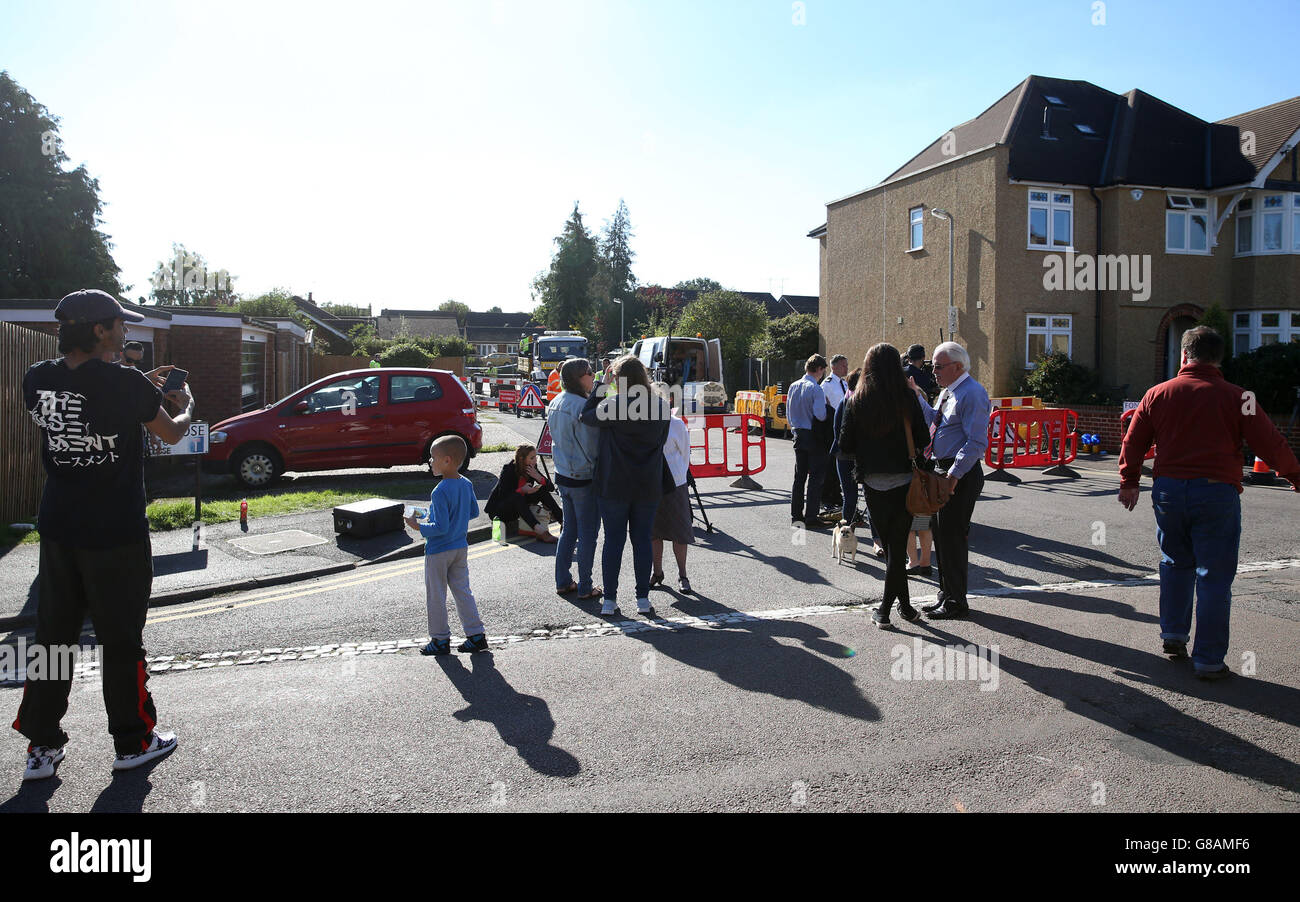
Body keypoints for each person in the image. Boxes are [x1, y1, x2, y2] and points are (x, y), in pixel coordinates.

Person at [15, 289, 192, 780]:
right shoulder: (125, 382)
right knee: (119, 640)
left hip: (57, 528)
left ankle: (42, 749)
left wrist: (140, 389)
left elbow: (90, 400)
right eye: (119, 323)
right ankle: (134, 742)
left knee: (52, 639)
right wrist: (186, 406)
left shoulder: (36, 378)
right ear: (98, 329)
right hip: (115, 533)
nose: (125, 330)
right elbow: (172, 432)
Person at [1119, 326, 1300, 680]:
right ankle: (1209, 660)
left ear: (1184, 355)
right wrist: (1296, 476)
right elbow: (1270, 444)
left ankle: (1173, 634)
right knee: (1214, 577)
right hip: (1217, 492)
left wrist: (1129, 482)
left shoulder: (1158, 393)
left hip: (1169, 491)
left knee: (1174, 562)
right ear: (1220, 358)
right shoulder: (1240, 397)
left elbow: (1133, 441)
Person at [839, 343, 934, 628]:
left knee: (893, 547)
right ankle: (895, 608)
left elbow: (844, 445)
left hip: (871, 480)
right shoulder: (906, 397)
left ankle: (892, 609)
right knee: (896, 546)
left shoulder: (857, 400)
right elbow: (922, 439)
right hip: (905, 479)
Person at [580, 355, 671, 616]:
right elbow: (661, 442)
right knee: (642, 540)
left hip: (614, 483)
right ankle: (643, 599)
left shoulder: (614, 405)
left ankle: (610, 600)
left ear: (618, 380)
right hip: (647, 483)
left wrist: (600, 386)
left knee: (613, 541)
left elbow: (585, 415)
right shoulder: (661, 407)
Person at [912, 341, 990, 620]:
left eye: (939, 366)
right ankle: (946, 595)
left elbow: (976, 442)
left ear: (958, 366)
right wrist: (918, 397)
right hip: (941, 472)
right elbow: (937, 422)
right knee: (942, 538)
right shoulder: (948, 392)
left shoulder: (973, 393)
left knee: (952, 538)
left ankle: (957, 601)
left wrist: (953, 476)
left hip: (958, 474)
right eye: (933, 365)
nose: (934, 371)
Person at [406, 435, 488, 656]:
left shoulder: (440, 490)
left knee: (436, 595)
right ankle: (476, 635)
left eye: (433, 458)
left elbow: (439, 527)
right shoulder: (466, 483)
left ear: (447, 461)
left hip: (438, 551)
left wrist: (417, 526)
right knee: (463, 591)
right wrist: (450, 516)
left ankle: (440, 640)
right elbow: (472, 512)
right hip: (460, 547)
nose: (430, 462)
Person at [549, 358, 602, 600]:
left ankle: (562, 581)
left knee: (569, 530)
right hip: (583, 476)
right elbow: (593, 446)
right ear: (579, 378)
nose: (593, 376)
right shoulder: (582, 407)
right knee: (588, 534)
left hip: (562, 474)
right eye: (590, 373)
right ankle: (585, 586)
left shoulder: (556, 401)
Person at [830, 368, 884, 556]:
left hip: (846, 458)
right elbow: (840, 434)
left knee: (853, 497)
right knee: (865, 497)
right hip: (851, 458)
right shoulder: (853, 402)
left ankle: (847, 535)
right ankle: (868, 538)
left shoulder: (846, 401)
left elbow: (837, 433)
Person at [651, 408, 694, 593]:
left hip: (675, 483)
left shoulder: (676, 423)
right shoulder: (644, 421)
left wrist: (678, 476)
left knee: (679, 531)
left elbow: (685, 453)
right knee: (653, 532)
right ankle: (657, 572)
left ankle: (682, 575)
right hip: (651, 482)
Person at [787, 353, 831, 527]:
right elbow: (820, 416)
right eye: (822, 371)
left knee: (799, 477)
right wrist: (827, 406)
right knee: (815, 478)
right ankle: (811, 516)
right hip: (814, 435)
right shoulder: (816, 389)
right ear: (819, 369)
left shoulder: (794, 386)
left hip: (798, 433)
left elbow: (790, 414)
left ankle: (796, 515)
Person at [485, 445, 561, 543]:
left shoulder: (531, 467)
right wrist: (522, 490)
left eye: (536, 457)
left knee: (541, 490)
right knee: (517, 496)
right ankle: (541, 532)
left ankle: (563, 521)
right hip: (500, 511)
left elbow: (551, 488)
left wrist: (539, 477)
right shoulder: (508, 469)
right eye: (532, 458)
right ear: (522, 459)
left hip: (520, 507)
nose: (535, 460)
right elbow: (504, 495)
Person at [820, 354, 851, 513]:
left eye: (846, 365)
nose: (846, 368)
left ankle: (837, 496)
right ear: (834, 367)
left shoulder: (845, 383)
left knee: (840, 467)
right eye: (843, 365)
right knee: (830, 466)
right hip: (832, 429)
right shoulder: (827, 384)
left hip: (844, 430)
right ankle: (826, 498)